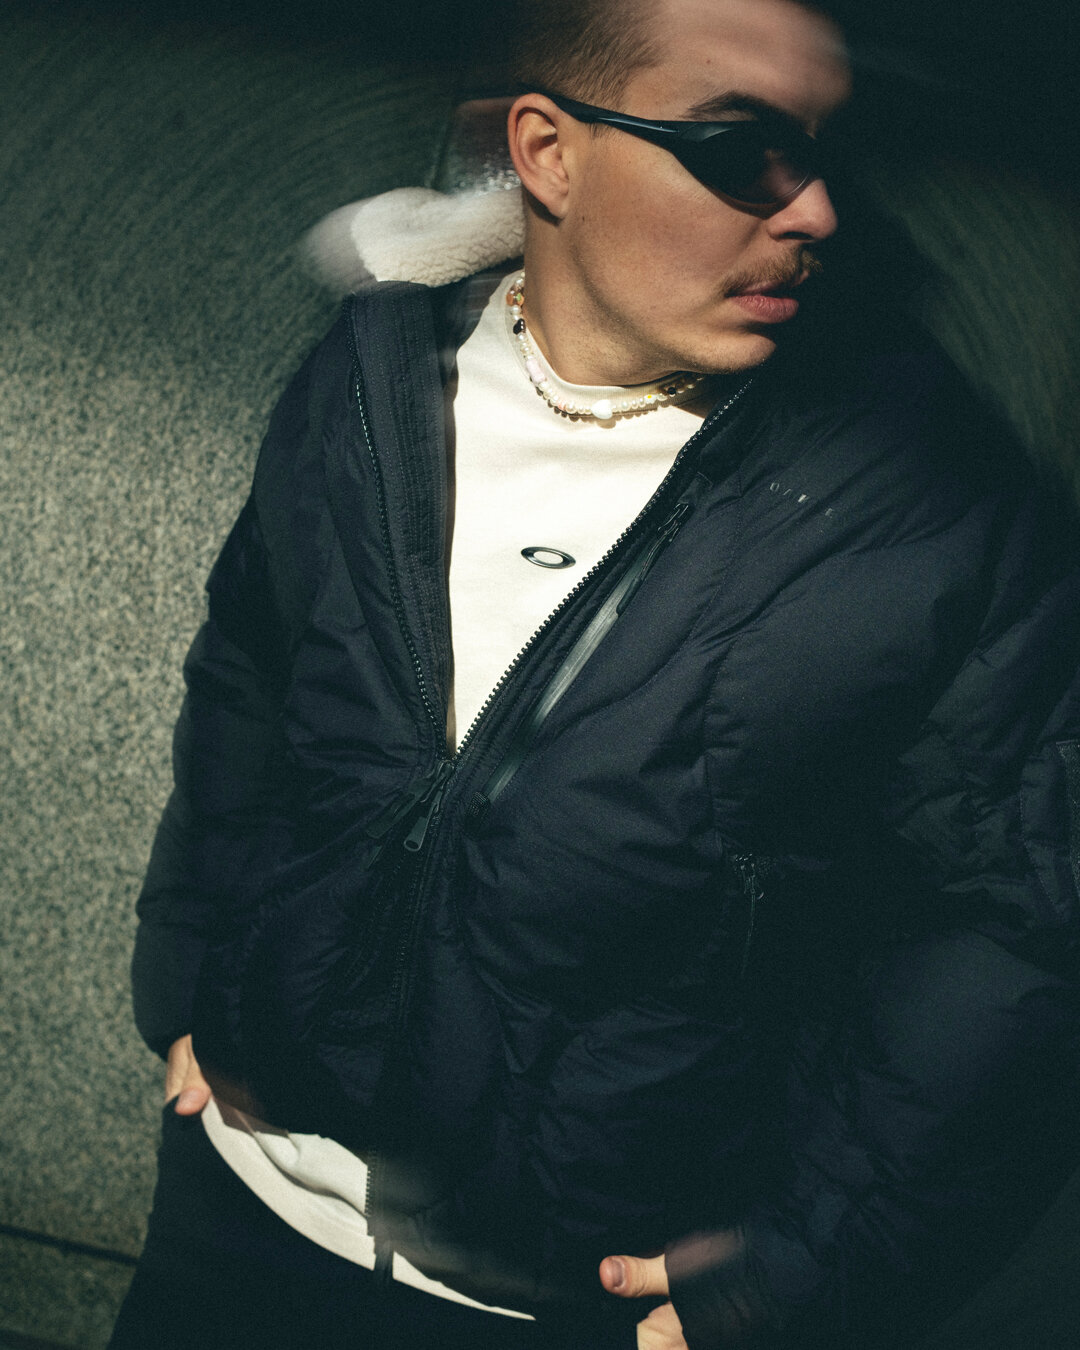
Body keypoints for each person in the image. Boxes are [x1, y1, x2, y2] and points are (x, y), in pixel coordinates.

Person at [113, 0, 1080, 1346]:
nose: (813, 212)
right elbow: (249, 684)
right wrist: (189, 984)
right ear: (549, 154)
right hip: (238, 1212)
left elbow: (1012, 925)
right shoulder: (368, 381)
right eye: (737, 148)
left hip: (569, 1297)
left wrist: (809, 1266)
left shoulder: (927, 505)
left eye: (820, 153)